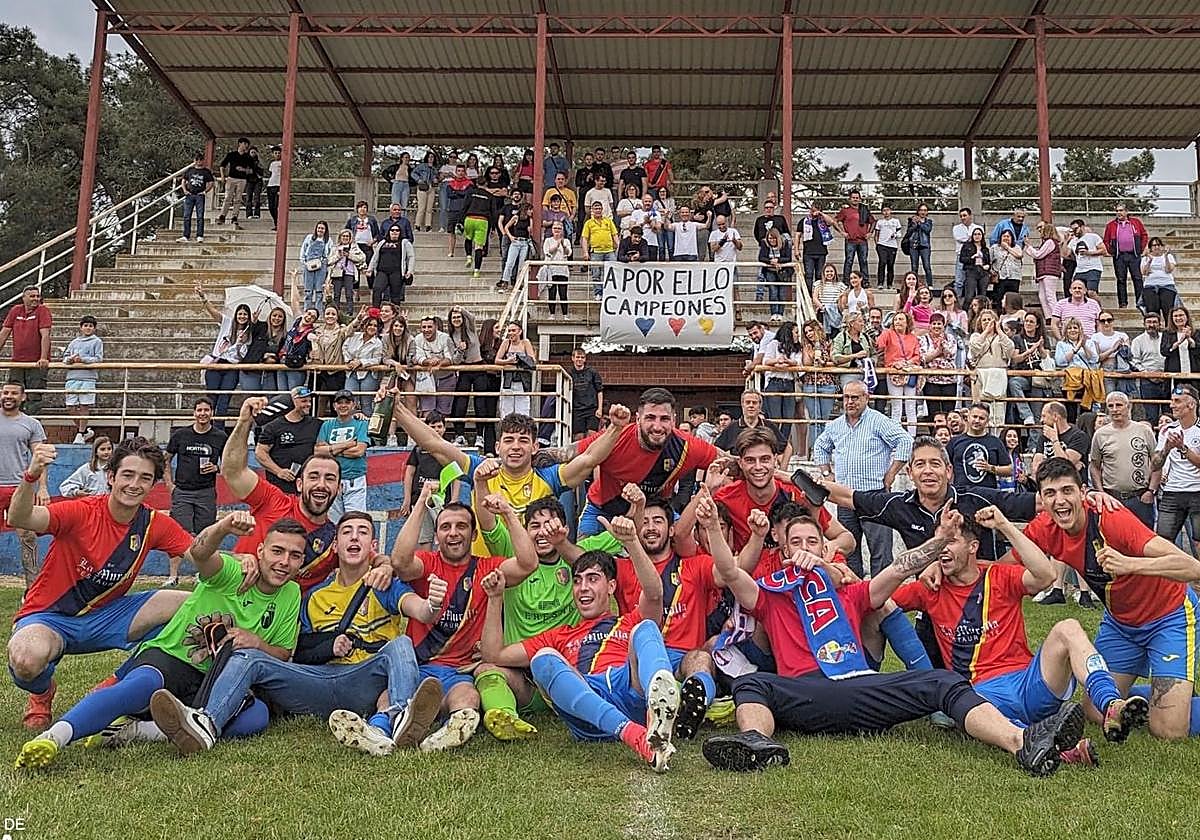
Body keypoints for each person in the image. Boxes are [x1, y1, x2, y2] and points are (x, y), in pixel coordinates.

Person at [701, 509, 1085, 776]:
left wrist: (939, 543)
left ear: (824, 549)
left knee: (943, 681)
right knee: (751, 683)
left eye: (812, 541)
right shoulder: (772, 596)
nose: (803, 547)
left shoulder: (850, 594)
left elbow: (901, 569)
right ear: (784, 551)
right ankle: (755, 743)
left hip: (859, 689)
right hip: (802, 695)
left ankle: (1022, 743)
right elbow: (731, 572)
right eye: (795, 541)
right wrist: (714, 530)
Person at [14, 511, 303, 770]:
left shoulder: (291, 593)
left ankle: (136, 731)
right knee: (139, 686)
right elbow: (200, 552)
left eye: (294, 555)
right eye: (277, 551)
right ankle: (54, 737)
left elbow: (283, 652)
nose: (284, 562)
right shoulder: (232, 572)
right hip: (173, 658)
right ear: (261, 550)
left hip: (219, 679)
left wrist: (256, 642)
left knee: (255, 719)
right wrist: (223, 527)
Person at [149, 512, 446, 758]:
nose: (355, 537)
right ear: (335, 545)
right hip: (317, 681)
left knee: (401, 644)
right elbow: (296, 652)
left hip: (365, 679)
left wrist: (432, 603)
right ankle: (205, 725)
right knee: (249, 657)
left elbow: (421, 612)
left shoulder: (385, 583)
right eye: (347, 532)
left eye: (363, 533)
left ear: (374, 545)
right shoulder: (313, 596)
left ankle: (398, 721)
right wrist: (329, 646)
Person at [892, 506, 1144, 759]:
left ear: (973, 547)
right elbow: (878, 599)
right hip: (981, 695)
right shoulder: (929, 588)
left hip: (1029, 684)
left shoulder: (997, 576)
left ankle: (1110, 704)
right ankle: (1058, 750)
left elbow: (1046, 575)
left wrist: (1004, 525)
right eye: (939, 543)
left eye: (951, 541)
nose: (943, 549)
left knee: (1068, 627)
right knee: (967, 707)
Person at [6, 438, 201, 731]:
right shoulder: (81, 511)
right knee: (25, 659)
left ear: (153, 485)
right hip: (51, 616)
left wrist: (244, 559)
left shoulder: (153, 524)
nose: (135, 484)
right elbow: (21, 516)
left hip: (107, 616)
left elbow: (200, 554)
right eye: (127, 474)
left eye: (145, 478)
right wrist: (32, 475)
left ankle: (120, 682)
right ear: (110, 477)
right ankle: (42, 692)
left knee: (189, 605)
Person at [478, 514, 688, 770]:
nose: (583, 588)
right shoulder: (561, 634)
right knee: (543, 657)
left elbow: (655, 593)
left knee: (645, 627)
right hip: (587, 707)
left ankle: (658, 706)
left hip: (627, 688)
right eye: (577, 581)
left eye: (592, 579)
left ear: (611, 586)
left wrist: (632, 542)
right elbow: (494, 655)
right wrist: (495, 597)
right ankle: (635, 735)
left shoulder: (627, 620)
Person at [1022, 457, 1200, 739]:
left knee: (1168, 731)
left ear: (1083, 493)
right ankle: (1155, 697)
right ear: (1041, 499)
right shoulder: (1044, 527)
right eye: (1050, 493)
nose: (1059, 501)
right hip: (1122, 624)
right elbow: (1006, 566)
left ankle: (1173, 700)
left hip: (1170, 615)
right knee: (1095, 711)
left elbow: (1192, 567)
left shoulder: (1111, 518)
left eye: (1067, 490)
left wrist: (1131, 564)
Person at [390, 483, 541, 750]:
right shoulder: (428, 563)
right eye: (445, 527)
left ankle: (444, 734)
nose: (453, 533)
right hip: (418, 665)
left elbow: (529, 563)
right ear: (436, 536)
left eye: (461, 526)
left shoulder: (487, 567)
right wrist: (422, 499)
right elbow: (400, 561)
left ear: (473, 535)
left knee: (469, 698)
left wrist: (506, 512)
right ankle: (380, 729)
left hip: (459, 671)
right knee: (385, 698)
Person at [223, 397, 342, 592]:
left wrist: (384, 566)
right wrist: (244, 422)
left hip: (282, 617)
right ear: (299, 483)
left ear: (339, 488)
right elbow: (233, 471)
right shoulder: (273, 500)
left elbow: (374, 560)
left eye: (330, 479)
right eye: (314, 477)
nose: (321, 485)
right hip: (233, 598)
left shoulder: (334, 541)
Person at [576, 388, 720, 537]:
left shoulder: (686, 446)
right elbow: (565, 454)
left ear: (673, 420)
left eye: (664, 419)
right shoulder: (616, 437)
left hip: (654, 513)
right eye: (650, 418)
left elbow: (734, 463)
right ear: (638, 419)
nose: (657, 427)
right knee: (584, 557)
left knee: (683, 542)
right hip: (602, 509)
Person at [813, 380, 912, 578]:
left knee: (881, 552)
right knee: (848, 550)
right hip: (844, 499)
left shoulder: (878, 420)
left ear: (867, 398)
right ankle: (853, 595)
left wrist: (892, 473)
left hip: (874, 496)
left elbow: (906, 441)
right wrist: (827, 473)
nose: (850, 402)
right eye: (846, 397)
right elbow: (820, 447)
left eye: (855, 397)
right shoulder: (836, 426)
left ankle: (882, 601)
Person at [164, 397, 227, 583]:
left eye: (206, 410)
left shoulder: (220, 437)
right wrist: (169, 484)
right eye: (199, 410)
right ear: (194, 413)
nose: (203, 414)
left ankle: (203, 574)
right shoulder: (181, 435)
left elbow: (231, 464)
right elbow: (165, 458)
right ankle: (173, 576)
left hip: (206, 492)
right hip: (182, 491)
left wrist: (217, 468)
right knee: (178, 533)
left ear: (212, 413)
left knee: (206, 535)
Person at [0, 381, 48, 587]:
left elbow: (40, 457)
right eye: (5, 392)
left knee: (28, 538)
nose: (8, 396)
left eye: (13, 393)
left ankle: (33, 588)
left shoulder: (31, 424)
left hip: (19, 488)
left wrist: (43, 487)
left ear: (23, 397)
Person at [1088, 391, 1155, 527]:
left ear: (1128, 406)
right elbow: (1094, 466)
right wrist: (1101, 493)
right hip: (1112, 497)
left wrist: (1151, 491)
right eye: (1110, 406)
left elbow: (1157, 462)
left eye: (1118, 405)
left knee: (1144, 544)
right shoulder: (1100, 434)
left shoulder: (1144, 431)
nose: (1114, 409)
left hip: (1140, 497)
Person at [1151, 383, 1200, 545]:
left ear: (1191, 404)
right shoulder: (1168, 430)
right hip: (1172, 491)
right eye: (1172, 400)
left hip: (1197, 491)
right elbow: (1155, 465)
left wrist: (1182, 448)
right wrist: (1166, 448)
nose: (1172, 405)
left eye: (1177, 401)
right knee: (1162, 542)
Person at [255, 386, 322, 496]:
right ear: (292, 402)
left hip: (307, 487)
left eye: (310, 401)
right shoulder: (274, 426)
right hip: (280, 487)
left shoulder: (316, 424)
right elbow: (260, 452)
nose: (308, 404)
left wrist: (357, 416)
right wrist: (279, 471)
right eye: (304, 401)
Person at [316, 389, 370, 523]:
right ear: (334, 406)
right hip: (332, 479)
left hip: (354, 480)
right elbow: (318, 451)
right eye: (339, 402)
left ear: (353, 405)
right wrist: (348, 444)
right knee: (333, 524)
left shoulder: (361, 423)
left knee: (355, 522)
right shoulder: (327, 425)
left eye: (347, 402)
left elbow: (359, 451)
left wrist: (332, 450)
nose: (343, 405)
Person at [0, 286, 52, 416]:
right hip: (17, 362)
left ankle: (32, 425)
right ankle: (12, 423)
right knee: (13, 393)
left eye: (37, 296)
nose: (36, 299)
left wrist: (43, 357)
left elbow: (45, 335)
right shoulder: (15, 310)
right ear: (23, 298)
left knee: (34, 396)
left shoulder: (43, 310)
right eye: (32, 296)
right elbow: (4, 334)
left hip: (36, 363)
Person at [877, 310, 921, 437]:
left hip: (909, 372)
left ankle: (912, 437)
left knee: (911, 406)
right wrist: (885, 332)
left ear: (907, 322)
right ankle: (896, 436)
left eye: (901, 319)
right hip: (894, 372)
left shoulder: (913, 338)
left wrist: (906, 363)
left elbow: (917, 356)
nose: (898, 322)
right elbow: (879, 345)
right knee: (896, 406)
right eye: (896, 319)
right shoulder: (888, 334)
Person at [947, 403, 1011, 490]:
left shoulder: (995, 442)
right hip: (962, 494)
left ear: (987, 421)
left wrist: (990, 468)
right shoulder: (955, 442)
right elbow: (945, 466)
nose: (977, 420)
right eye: (974, 416)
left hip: (989, 494)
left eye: (981, 418)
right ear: (968, 417)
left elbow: (1009, 470)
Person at [60, 315, 103, 442]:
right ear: (81, 327)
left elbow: (98, 359)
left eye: (90, 326)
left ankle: (80, 433)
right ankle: (83, 431)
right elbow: (65, 358)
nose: (88, 328)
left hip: (88, 378)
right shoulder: (74, 342)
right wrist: (71, 360)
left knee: (84, 406)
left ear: (94, 328)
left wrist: (83, 360)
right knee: (70, 406)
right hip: (72, 377)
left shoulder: (97, 342)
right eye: (85, 325)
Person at [715, 390, 789, 462]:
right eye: (748, 402)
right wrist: (731, 459)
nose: (751, 405)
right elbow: (716, 449)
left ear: (760, 406)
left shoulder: (769, 426)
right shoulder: (732, 428)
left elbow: (788, 448)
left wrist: (782, 469)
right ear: (742, 405)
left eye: (754, 403)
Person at [1103, 203, 1149, 310]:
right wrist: (1112, 251)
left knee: (1137, 279)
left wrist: (1141, 249)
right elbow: (1106, 240)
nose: (1119, 213)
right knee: (1121, 279)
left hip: (1134, 255)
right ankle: (1123, 303)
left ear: (1126, 211)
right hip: (1119, 256)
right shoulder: (1111, 225)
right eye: (1117, 211)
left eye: (1121, 210)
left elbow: (1144, 235)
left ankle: (1140, 302)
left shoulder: (1135, 222)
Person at [919, 313, 960, 420]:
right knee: (933, 411)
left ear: (944, 325)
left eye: (939, 324)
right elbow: (923, 358)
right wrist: (938, 351)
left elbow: (951, 355)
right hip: (931, 380)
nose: (936, 326)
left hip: (949, 380)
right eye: (934, 324)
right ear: (929, 325)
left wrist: (943, 345)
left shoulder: (950, 338)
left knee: (949, 411)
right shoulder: (923, 339)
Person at [1132, 312, 1169, 426]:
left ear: (1160, 324)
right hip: (1147, 381)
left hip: (1166, 379)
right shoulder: (1138, 341)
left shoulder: (1166, 338)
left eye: (1154, 322)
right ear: (1144, 324)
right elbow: (1134, 360)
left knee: (1168, 415)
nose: (1151, 325)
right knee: (1151, 416)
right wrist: (1147, 374)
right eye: (1149, 322)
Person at [366, 224, 414, 308]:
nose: (394, 232)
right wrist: (370, 268)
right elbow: (375, 256)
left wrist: (409, 271)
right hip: (382, 271)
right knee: (377, 289)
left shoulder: (404, 243)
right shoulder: (382, 242)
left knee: (395, 295)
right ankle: (375, 311)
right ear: (389, 232)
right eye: (392, 230)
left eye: (397, 230)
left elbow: (411, 257)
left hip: (397, 272)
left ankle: (395, 316)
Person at [496, 321, 536, 418]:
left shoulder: (525, 342)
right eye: (509, 331)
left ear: (520, 332)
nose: (511, 333)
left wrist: (520, 360)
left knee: (523, 410)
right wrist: (508, 361)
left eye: (513, 330)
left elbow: (532, 361)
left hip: (522, 381)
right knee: (506, 410)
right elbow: (497, 360)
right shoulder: (506, 343)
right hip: (508, 381)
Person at [1025, 222, 1063, 324]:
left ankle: (1056, 316)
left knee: (1050, 295)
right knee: (1042, 295)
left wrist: (1029, 246)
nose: (1040, 232)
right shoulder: (1048, 242)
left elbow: (1038, 254)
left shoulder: (1050, 242)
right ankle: (1048, 317)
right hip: (1044, 272)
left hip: (1049, 272)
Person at [1090, 311, 1135, 398]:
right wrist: (1113, 349)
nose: (1106, 323)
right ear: (1099, 322)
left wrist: (1123, 347)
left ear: (1113, 321)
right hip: (1106, 370)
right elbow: (1097, 358)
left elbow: (1128, 355)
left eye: (1109, 320)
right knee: (1110, 398)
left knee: (1125, 398)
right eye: (1103, 321)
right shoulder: (1095, 337)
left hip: (1123, 369)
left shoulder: (1122, 335)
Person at [835, 189, 875, 285]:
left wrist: (870, 232)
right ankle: (846, 281)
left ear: (860, 199)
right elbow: (835, 221)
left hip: (862, 240)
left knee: (864, 261)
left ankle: (865, 281)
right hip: (850, 240)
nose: (855, 199)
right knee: (849, 261)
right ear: (850, 199)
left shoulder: (864, 210)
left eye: (857, 198)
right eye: (853, 198)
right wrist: (842, 232)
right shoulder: (845, 211)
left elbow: (873, 222)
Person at [581, 202, 619, 299]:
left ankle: (611, 292)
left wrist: (619, 246)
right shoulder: (588, 223)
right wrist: (585, 252)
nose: (598, 210)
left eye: (599, 208)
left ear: (602, 209)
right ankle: (598, 293)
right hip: (596, 252)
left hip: (609, 251)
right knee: (596, 274)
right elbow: (585, 238)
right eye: (595, 208)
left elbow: (614, 234)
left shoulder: (608, 221)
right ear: (592, 211)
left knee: (612, 272)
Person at [176, 150, 214, 243]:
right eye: (197, 160)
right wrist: (185, 190)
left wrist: (205, 191)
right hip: (190, 195)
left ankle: (200, 235)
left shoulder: (206, 171)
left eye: (200, 160)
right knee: (186, 216)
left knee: (200, 216)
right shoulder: (190, 170)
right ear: (194, 160)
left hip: (200, 195)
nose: (199, 162)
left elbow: (211, 182)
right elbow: (183, 181)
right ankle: (186, 235)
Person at [216, 137, 254, 227]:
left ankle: (234, 217)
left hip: (242, 180)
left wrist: (244, 169)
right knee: (227, 197)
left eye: (247, 145)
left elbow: (252, 171)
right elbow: (222, 165)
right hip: (231, 178)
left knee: (238, 199)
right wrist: (222, 176)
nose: (245, 146)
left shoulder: (248, 157)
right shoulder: (231, 155)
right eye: (244, 144)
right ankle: (222, 216)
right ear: (239, 144)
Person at [568, 348, 604, 441]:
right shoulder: (569, 374)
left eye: (582, 357)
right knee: (578, 437)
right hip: (577, 409)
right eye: (577, 357)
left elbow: (599, 391)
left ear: (585, 359)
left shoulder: (592, 372)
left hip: (592, 409)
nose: (579, 359)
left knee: (592, 436)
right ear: (573, 358)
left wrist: (600, 409)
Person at [1064, 219, 1107, 297]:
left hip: (1093, 268)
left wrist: (1089, 253)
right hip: (1080, 270)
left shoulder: (1093, 236)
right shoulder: (1073, 241)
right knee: (1076, 292)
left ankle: (1098, 308)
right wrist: (1066, 241)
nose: (1074, 231)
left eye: (1076, 228)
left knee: (1091, 292)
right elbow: (1065, 254)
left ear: (1082, 227)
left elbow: (1103, 251)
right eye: (1072, 229)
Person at [1140, 237, 1177, 324]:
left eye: (1158, 245)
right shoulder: (1145, 258)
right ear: (1150, 247)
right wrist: (1149, 260)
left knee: (1168, 309)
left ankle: (1169, 330)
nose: (1156, 247)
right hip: (1150, 285)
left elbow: (1169, 270)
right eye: (1154, 245)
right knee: (1152, 309)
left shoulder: (1169, 256)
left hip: (1167, 285)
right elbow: (1144, 272)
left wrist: (1166, 257)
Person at [1161, 305, 1200, 386]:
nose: (1178, 318)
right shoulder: (1167, 333)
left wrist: (1189, 338)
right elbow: (1164, 351)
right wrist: (1179, 342)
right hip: (1175, 372)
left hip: (1193, 372)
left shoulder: (1196, 332)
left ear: (1186, 317)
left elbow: (1198, 350)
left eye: (1181, 315)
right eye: (1175, 316)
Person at [543, 220, 572, 319]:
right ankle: (552, 314)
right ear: (552, 229)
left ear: (562, 230)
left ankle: (565, 315)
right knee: (552, 293)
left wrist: (563, 245)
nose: (557, 230)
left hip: (563, 270)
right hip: (551, 270)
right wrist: (557, 243)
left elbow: (568, 253)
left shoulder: (567, 241)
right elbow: (548, 252)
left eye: (559, 228)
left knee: (563, 293)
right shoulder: (548, 240)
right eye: (555, 228)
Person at [990, 229, 1024, 306]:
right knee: (999, 299)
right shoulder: (994, 248)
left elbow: (1019, 255)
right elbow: (989, 260)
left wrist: (1008, 248)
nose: (1006, 238)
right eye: (1004, 236)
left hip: (1014, 277)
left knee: (1013, 299)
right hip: (1000, 278)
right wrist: (992, 271)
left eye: (1008, 236)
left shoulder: (1017, 247)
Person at [906, 203, 934, 286]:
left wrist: (919, 223)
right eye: (921, 210)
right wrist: (914, 223)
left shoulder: (929, 221)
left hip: (925, 246)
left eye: (925, 210)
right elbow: (909, 232)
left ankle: (930, 284)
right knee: (914, 266)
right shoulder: (912, 220)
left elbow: (927, 230)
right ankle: (914, 284)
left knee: (927, 266)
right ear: (918, 211)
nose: (923, 212)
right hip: (913, 245)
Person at [265, 145, 282, 230]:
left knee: (276, 205)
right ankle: (276, 222)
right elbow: (271, 173)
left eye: (279, 153)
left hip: (279, 185)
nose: (277, 154)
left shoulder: (283, 163)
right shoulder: (272, 163)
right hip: (271, 185)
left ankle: (278, 223)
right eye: (276, 153)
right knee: (271, 206)